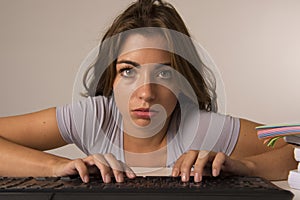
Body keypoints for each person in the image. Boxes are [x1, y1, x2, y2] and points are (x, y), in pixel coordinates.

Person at [0, 0, 296, 184]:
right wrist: (59, 166)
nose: (146, 93)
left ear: (182, 82)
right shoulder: (94, 117)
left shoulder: (203, 127)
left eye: (164, 73)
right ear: (111, 78)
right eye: (128, 71)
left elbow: (295, 149)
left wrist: (245, 166)